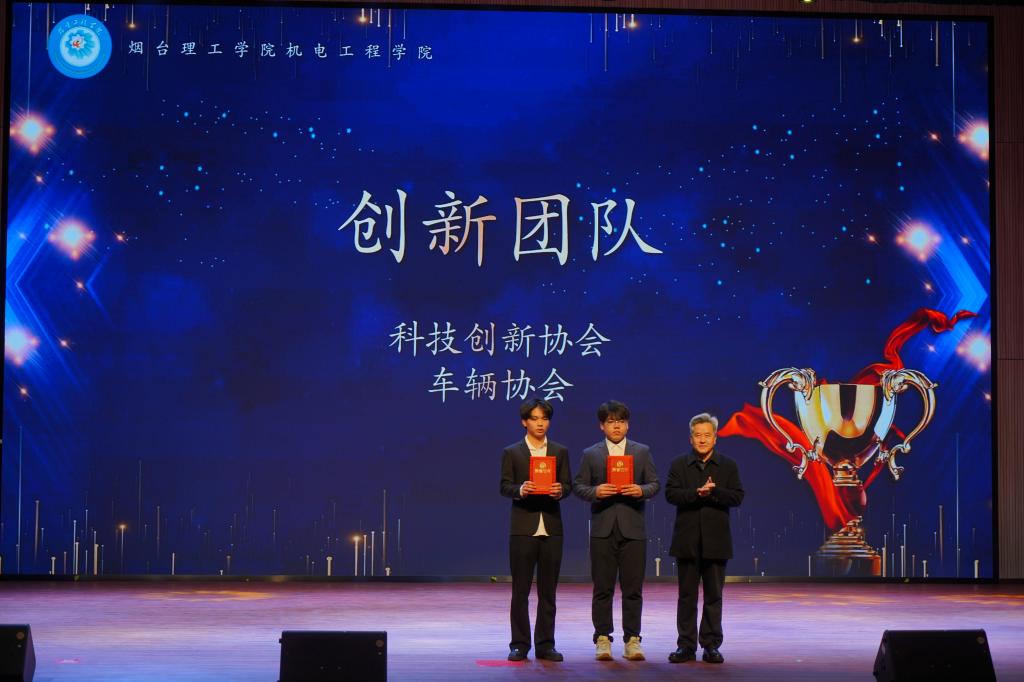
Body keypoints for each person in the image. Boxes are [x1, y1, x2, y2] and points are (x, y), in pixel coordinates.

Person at [573, 400, 660, 661]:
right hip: (603, 529)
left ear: (628, 425)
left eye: (621, 421)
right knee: (603, 588)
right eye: (611, 422)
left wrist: (640, 490)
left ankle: (633, 639)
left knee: (633, 589)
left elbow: (654, 484)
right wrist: (596, 491)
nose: (616, 426)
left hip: (633, 530)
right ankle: (602, 638)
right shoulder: (591, 453)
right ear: (602, 426)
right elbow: (578, 486)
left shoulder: (641, 451)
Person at [665, 412, 744, 665]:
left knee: (714, 597)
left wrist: (714, 491)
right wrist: (696, 494)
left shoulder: (728, 465)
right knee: (686, 597)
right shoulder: (679, 464)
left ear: (715, 438)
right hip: (686, 541)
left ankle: (710, 645)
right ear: (690, 439)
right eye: (697, 435)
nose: (702, 440)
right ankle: (685, 646)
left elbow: (737, 497)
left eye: (707, 435)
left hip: (716, 542)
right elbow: (671, 495)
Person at [499, 398, 572, 662]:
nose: (540, 423)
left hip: (551, 527)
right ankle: (519, 644)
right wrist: (521, 489)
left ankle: (545, 645)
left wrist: (560, 490)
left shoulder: (560, 451)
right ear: (524, 422)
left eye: (545, 418)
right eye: (535, 418)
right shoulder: (512, 452)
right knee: (520, 591)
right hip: (523, 527)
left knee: (548, 592)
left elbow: (568, 485)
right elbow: (504, 486)